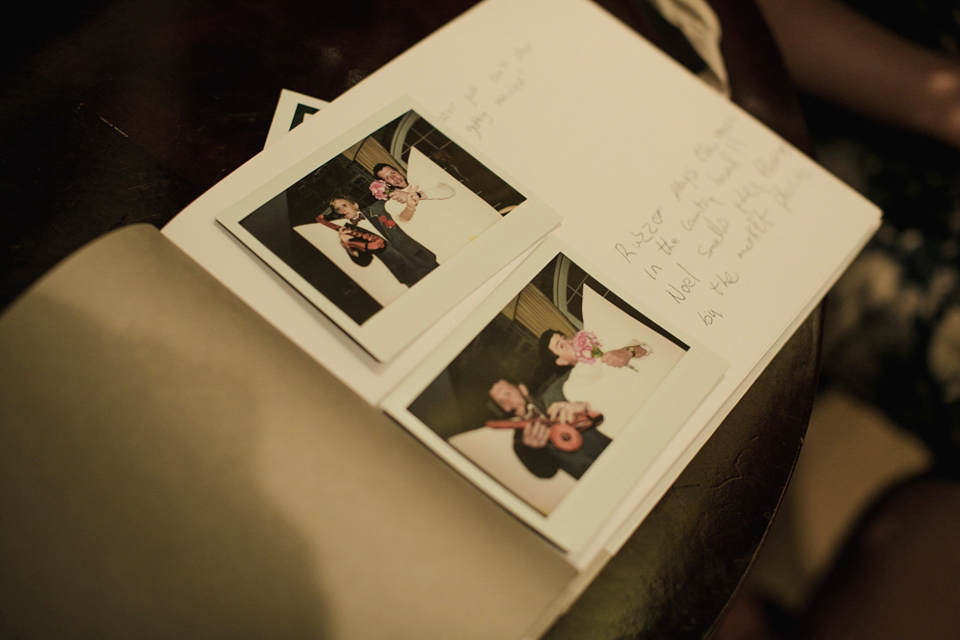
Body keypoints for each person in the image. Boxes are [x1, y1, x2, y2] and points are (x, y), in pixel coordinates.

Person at [487, 378, 610, 480]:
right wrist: (534, 450)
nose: (508, 403)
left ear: (523, 390)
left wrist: (586, 405)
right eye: (501, 402)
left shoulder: (558, 392)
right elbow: (547, 473)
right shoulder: (520, 442)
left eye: (508, 394)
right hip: (597, 481)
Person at [324, 196, 438, 287]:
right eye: (338, 209)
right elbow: (364, 261)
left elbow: (400, 204)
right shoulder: (348, 233)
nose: (342, 210)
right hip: (405, 272)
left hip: (422, 257)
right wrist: (347, 245)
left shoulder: (378, 208)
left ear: (355, 205)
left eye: (344, 205)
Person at [371, 162, 455, 222]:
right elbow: (403, 220)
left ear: (400, 171)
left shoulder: (420, 179)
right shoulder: (392, 203)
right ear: (386, 184)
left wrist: (416, 195)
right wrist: (409, 205)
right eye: (387, 178)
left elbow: (449, 191)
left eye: (393, 173)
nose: (394, 178)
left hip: (454, 218)